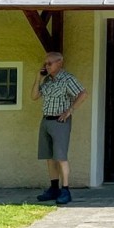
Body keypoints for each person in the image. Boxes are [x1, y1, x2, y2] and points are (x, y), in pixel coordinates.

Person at [35, 51, 86, 204]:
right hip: (46, 120)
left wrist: (70, 110)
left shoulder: (67, 79)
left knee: (61, 157)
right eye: (45, 63)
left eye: (49, 63)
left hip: (60, 122)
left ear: (59, 63)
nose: (47, 66)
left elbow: (83, 94)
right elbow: (34, 96)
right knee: (49, 157)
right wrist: (38, 78)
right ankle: (53, 188)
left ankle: (65, 189)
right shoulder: (47, 81)